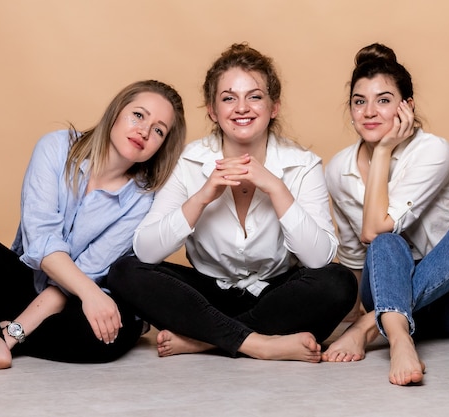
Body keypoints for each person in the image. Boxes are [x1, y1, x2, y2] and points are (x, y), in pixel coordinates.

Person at [107, 43, 357, 363]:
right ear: (213, 110)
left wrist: (276, 188)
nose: (242, 108)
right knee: (124, 271)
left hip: (274, 296)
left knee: (338, 282)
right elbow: (146, 250)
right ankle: (260, 344)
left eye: (254, 96)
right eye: (228, 98)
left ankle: (206, 341)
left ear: (273, 107)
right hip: (207, 297)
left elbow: (319, 257)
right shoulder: (188, 162)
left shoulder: (303, 164)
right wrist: (202, 197)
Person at [0, 80, 186, 378]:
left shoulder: (143, 199)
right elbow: (41, 241)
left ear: (161, 146)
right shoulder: (56, 147)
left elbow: (83, 275)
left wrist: (10, 336)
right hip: (29, 281)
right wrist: (89, 293)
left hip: (73, 300)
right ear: (116, 112)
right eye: (138, 115)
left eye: (158, 130)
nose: (144, 131)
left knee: (108, 335)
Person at [322, 43, 449, 385]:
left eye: (384, 100)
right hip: (387, 286)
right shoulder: (338, 170)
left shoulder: (434, 151)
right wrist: (348, 315)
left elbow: (375, 226)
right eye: (360, 101)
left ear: (408, 106)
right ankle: (400, 338)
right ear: (350, 109)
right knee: (386, 244)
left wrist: (384, 149)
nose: (370, 112)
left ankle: (375, 324)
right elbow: (356, 253)